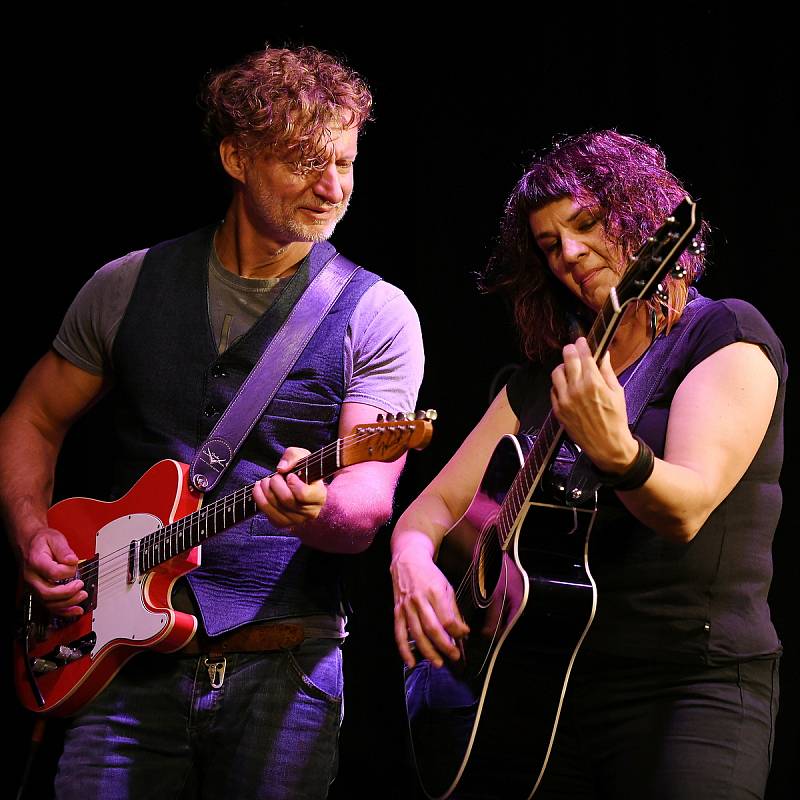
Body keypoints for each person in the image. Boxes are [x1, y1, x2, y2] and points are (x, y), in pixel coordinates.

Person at [1, 45, 423, 799]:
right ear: (236, 156)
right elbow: (32, 415)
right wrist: (33, 529)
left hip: (286, 668)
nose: (332, 189)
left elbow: (365, 504)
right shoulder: (125, 284)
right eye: (303, 163)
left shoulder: (378, 312)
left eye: (346, 164)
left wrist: (318, 511)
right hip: (119, 662)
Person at [391, 130, 783, 799]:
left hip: (689, 687)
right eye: (549, 244)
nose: (569, 254)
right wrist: (411, 564)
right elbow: (435, 509)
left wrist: (619, 453)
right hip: (538, 690)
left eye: (588, 225)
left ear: (644, 221)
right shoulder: (547, 379)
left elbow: (685, 508)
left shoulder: (725, 336)